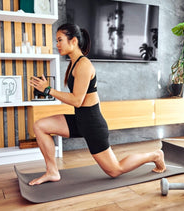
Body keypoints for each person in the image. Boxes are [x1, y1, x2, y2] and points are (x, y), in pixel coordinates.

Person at [29, 23, 166, 185]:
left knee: (115, 170)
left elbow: (77, 100)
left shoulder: (84, 65)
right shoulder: (73, 63)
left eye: (60, 40)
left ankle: (155, 155)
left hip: (93, 124)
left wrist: (48, 90)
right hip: (80, 120)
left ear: (73, 41)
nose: (57, 44)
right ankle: (52, 171)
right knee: (40, 126)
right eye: (56, 40)